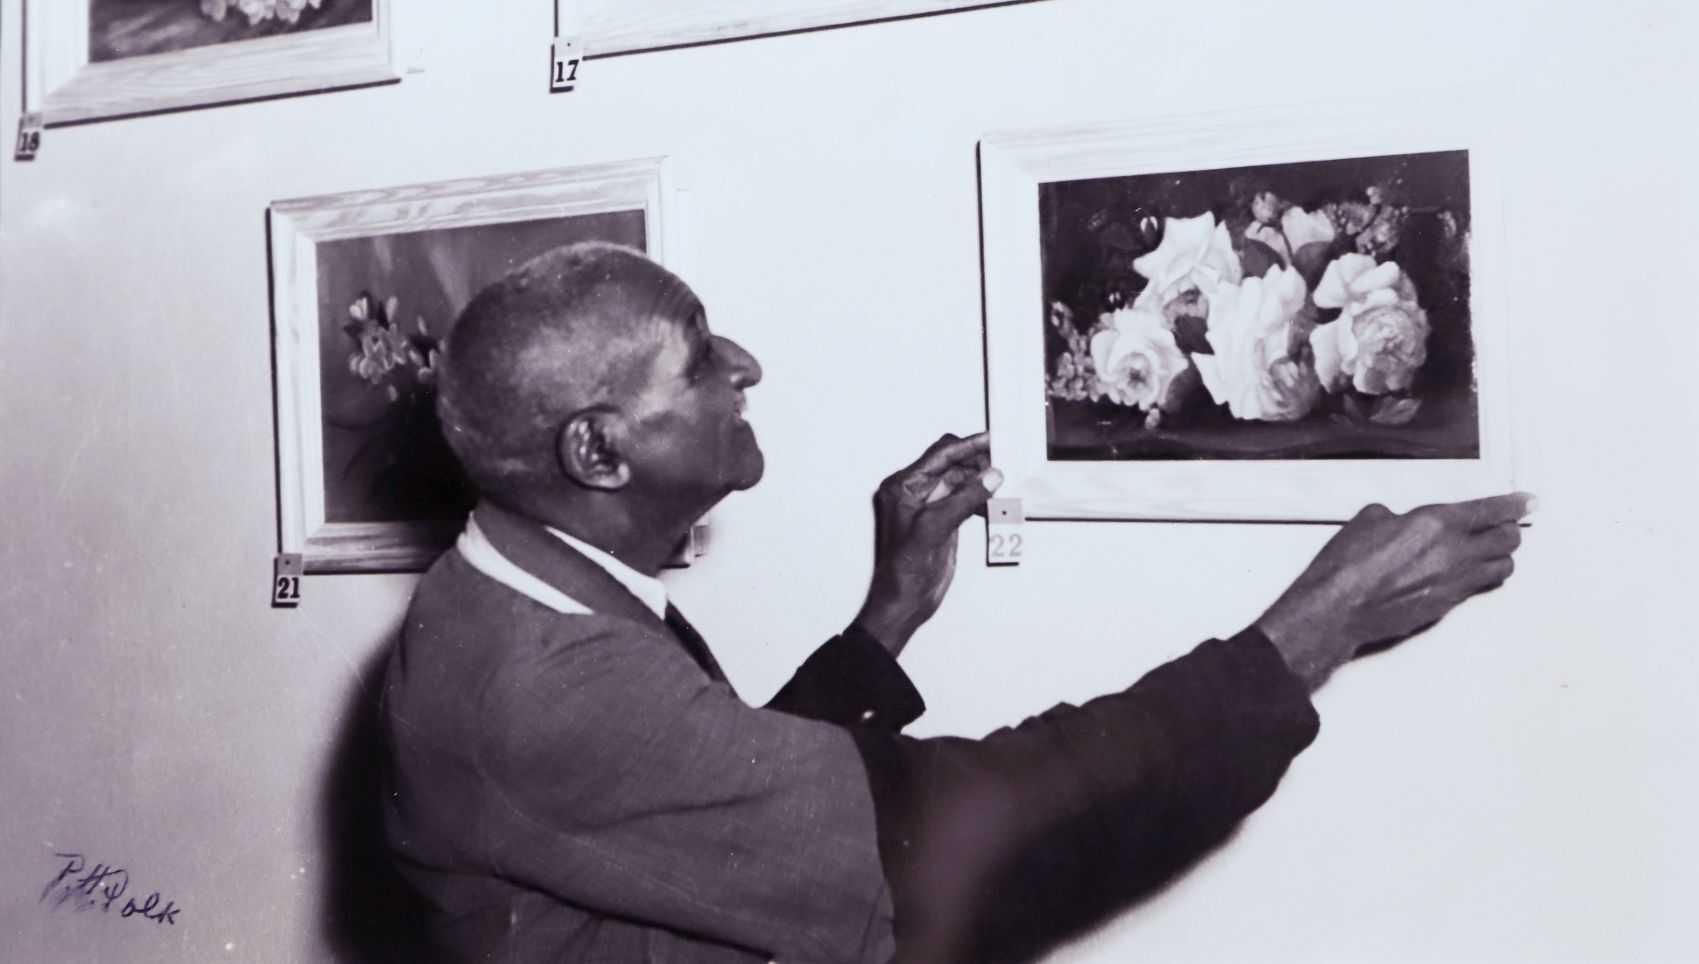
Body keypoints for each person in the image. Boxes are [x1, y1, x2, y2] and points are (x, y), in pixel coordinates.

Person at [380, 242, 1525, 964]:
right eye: (696, 359)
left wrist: (886, 619)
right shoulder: (537, 682)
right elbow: (968, 825)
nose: (745, 367)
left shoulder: (520, 591)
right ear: (599, 450)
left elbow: (717, 800)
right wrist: (1308, 631)